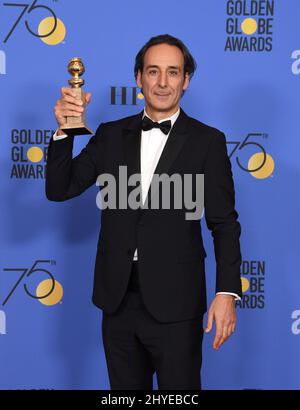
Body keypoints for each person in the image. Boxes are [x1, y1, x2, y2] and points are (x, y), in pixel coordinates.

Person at [46, 34, 242, 390]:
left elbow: (224, 224)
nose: (163, 82)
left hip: (177, 304)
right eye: (153, 72)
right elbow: (60, 189)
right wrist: (64, 131)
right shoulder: (110, 135)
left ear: (186, 80)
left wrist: (226, 292)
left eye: (172, 72)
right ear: (139, 78)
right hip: (117, 299)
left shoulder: (207, 141)